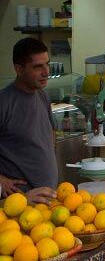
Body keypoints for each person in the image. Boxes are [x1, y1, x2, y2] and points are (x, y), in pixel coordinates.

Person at [0, 38, 57, 203]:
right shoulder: (4, 102)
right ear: (19, 69)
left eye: (47, 64)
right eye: (38, 67)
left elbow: (49, 134)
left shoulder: (42, 95)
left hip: (47, 200)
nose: (46, 72)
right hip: (18, 204)